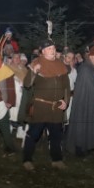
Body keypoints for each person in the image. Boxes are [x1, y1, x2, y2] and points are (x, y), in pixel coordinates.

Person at [20, 40, 70, 171]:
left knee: (56, 135)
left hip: (56, 108)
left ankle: (57, 159)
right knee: (33, 134)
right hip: (41, 107)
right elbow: (27, 84)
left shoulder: (60, 65)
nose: (52, 50)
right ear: (43, 51)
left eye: (53, 48)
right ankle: (27, 159)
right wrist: (33, 72)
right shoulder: (36, 63)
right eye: (49, 48)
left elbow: (66, 86)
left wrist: (66, 101)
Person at [66, 46, 94, 156]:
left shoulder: (90, 68)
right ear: (91, 57)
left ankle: (84, 147)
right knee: (81, 126)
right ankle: (79, 149)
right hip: (83, 103)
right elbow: (91, 87)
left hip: (88, 101)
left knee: (86, 125)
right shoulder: (86, 68)